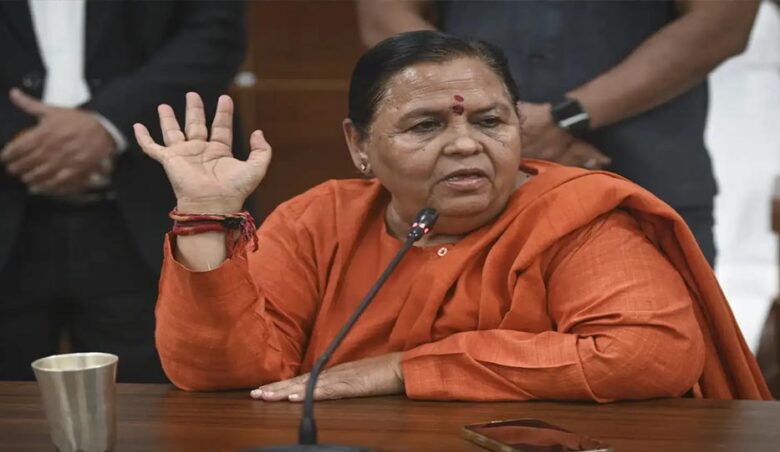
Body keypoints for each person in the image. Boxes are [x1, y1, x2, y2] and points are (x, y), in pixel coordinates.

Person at [135, 32, 770, 401]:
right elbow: (222, 375)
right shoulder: (319, 220)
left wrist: (402, 370)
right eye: (425, 125)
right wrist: (205, 216)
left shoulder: (580, 216)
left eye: (491, 121)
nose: (466, 144)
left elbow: (648, 356)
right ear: (359, 145)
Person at [356, 0, 761, 267]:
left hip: (642, 176)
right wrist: (501, 119)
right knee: (446, 357)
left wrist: (566, 116)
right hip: (460, 190)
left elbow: (722, 23)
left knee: (654, 354)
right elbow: (384, 16)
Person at [0, 1, 246, 382]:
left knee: (160, 401)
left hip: (148, 211)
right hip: (11, 213)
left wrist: (108, 122)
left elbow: (215, 31)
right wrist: (17, 137)